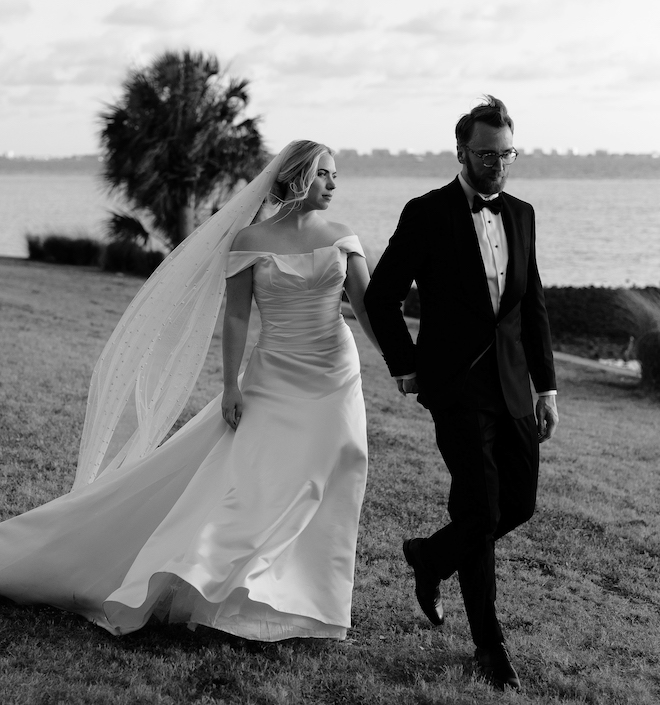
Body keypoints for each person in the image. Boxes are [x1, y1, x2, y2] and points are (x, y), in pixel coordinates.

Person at [0, 140, 379, 641]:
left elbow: (369, 310)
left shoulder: (342, 236)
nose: (334, 185)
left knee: (335, 466)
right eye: (326, 174)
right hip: (274, 374)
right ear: (299, 178)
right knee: (263, 481)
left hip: (335, 373)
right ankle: (235, 594)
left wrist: (404, 363)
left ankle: (305, 601)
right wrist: (230, 386)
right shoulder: (251, 239)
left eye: (336, 176)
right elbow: (238, 315)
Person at [364, 96, 559, 691]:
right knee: (479, 508)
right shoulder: (426, 212)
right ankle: (489, 645)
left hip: (514, 384)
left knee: (517, 504)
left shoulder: (522, 214)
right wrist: (406, 366)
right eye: (486, 154)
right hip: (455, 387)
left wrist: (547, 386)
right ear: (461, 152)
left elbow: (532, 306)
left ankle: (430, 557)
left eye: (507, 153)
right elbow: (381, 297)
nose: (498, 164)